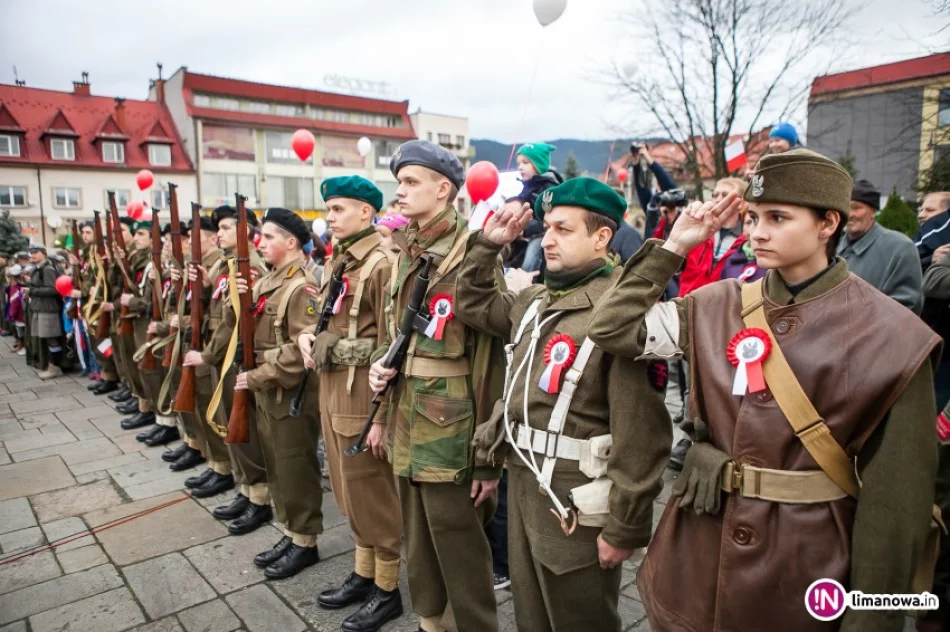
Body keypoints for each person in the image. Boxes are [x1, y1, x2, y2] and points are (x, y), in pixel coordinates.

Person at [587, 149, 941, 632]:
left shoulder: (893, 335)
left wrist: (871, 621)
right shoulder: (715, 305)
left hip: (807, 565)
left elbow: (896, 508)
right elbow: (610, 328)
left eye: (777, 217)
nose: (757, 232)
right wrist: (674, 247)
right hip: (699, 554)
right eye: (752, 217)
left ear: (827, 224)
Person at [456, 177, 672, 631]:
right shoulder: (535, 299)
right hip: (525, 482)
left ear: (601, 237)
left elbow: (642, 435)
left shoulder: (619, 314)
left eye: (563, 229)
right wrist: (487, 247)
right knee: (532, 615)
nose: (547, 239)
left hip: (574, 500)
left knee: (581, 618)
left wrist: (624, 527)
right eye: (546, 227)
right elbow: (474, 306)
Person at [368, 140, 503, 632]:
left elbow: (490, 359)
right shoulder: (408, 249)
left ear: (443, 189)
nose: (399, 192)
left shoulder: (473, 252)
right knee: (419, 545)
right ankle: (432, 623)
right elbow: (394, 340)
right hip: (406, 417)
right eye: (399, 182)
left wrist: (488, 455)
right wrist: (380, 404)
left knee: (460, 548)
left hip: (451, 431)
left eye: (410, 182)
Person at [297, 176, 404, 631]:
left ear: (366, 212)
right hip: (334, 392)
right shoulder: (338, 260)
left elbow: (393, 344)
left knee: (374, 496)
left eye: (339, 208)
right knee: (348, 492)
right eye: (329, 209)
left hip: (363, 398)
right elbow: (328, 322)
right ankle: (364, 575)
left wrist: (381, 414)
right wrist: (309, 337)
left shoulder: (381, 264)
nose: (330, 217)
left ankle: (387, 589)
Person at [228, 207, 322, 579]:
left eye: (267, 237)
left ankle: (305, 542)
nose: (259, 243)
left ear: (291, 242)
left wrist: (258, 374)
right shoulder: (270, 281)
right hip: (270, 391)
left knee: (295, 468)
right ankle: (290, 531)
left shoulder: (302, 287)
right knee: (278, 467)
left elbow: (303, 353)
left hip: (291, 393)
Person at [185, 205, 272, 535]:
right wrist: (207, 286)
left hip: (240, 356)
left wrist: (208, 356)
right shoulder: (227, 264)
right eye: (218, 228)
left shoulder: (252, 268)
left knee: (246, 434)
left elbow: (230, 322)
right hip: (228, 355)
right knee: (233, 429)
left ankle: (259, 499)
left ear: (245, 230)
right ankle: (247, 492)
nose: (218, 233)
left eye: (224, 227)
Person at [835, 179, 923, 313]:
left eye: (856, 207)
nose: (850, 214)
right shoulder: (834, 245)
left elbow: (907, 306)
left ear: (873, 212)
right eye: (845, 207)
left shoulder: (900, 247)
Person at [515, 143, 564, 273]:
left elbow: (548, 220)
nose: (520, 167)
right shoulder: (527, 187)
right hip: (529, 233)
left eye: (525, 163)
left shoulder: (548, 189)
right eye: (518, 163)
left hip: (544, 234)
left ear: (539, 164)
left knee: (530, 260)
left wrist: (524, 230)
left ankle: (526, 284)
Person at [28, 244, 65, 380]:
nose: (32, 254)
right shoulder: (38, 269)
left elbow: (54, 290)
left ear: (44, 253)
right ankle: (51, 366)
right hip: (40, 308)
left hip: (48, 308)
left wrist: (32, 291)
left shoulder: (47, 269)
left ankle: (55, 367)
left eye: (36, 252)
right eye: (31, 252)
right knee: (48, 339)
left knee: (52, 339)